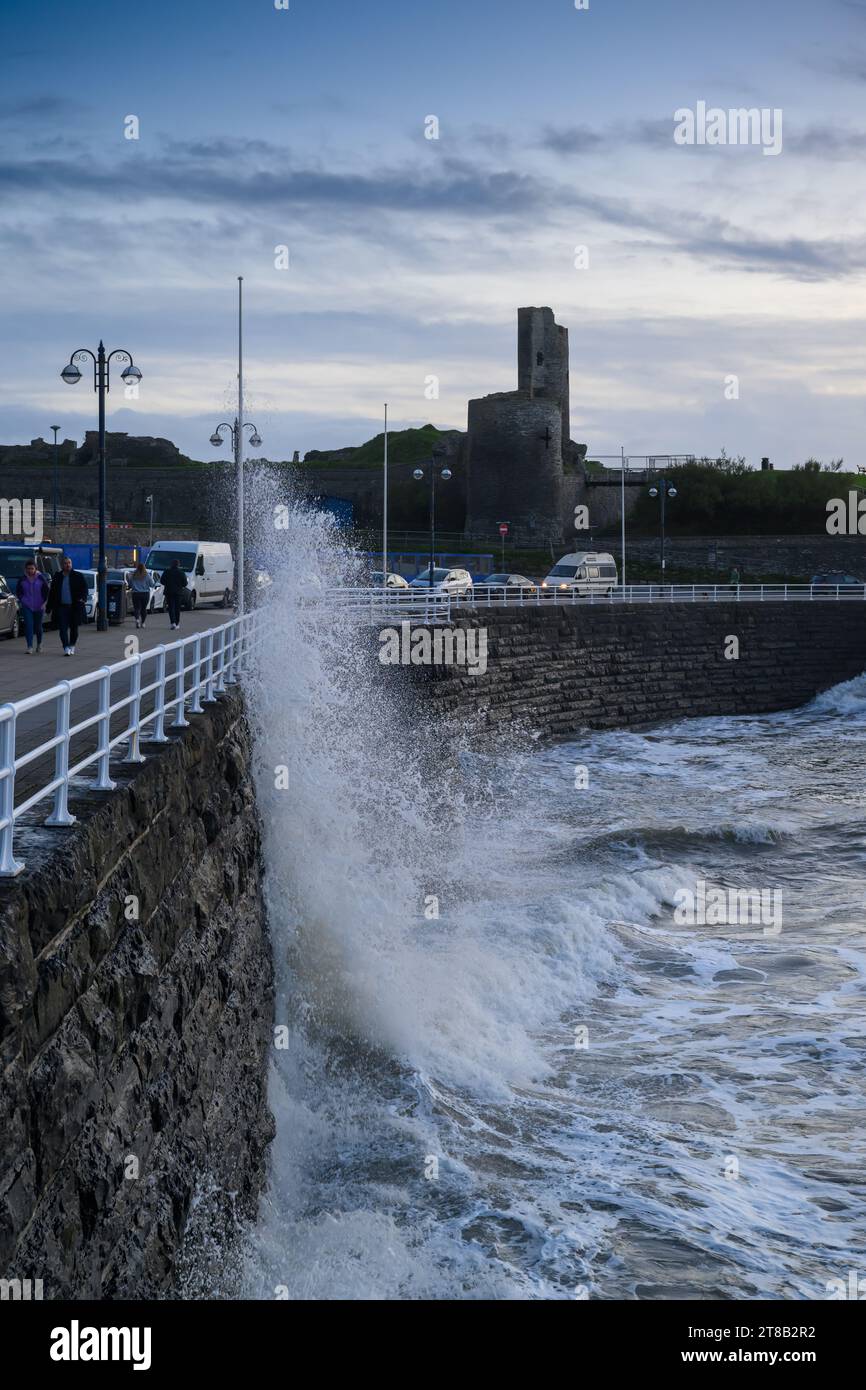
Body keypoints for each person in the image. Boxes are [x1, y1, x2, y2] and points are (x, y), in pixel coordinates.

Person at [47, 556, 88, 655]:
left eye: (69, 563)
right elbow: (52, 592)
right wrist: (49, 607)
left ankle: (72, 645)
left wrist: (82, 598)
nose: (67, 565)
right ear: (62, 565)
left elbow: (84, 588)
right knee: (62, 628)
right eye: (65, 563)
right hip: (61, 607)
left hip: (74, 606)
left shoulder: (78, 576)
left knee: (74, 628)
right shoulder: (57, 576)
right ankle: (65, 647)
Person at [15, 560, 50, 654]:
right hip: (27, 606)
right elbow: (18, 592)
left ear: (36, 569)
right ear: (25, 569)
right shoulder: (22, 579)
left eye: (32, 568)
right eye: (28, 569)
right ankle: (29, 646)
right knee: (29, 626)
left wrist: (44, 603)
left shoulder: (41, 578)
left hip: (39, 606)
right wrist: (22, 600)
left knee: (38, 626)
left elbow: (47, 591)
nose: (30, 570)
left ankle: (39, 644)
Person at [160, 559, 188, 629]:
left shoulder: (166, 572)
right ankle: (177, 623)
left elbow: (162, 581)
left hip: (169, 592)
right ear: (178, 565)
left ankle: (173, 623)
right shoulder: (181, 573)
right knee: (177, 608)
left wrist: (168, 584)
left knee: (171, 607)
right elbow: (185, 583)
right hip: (178, 592)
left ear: (171, 564)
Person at [129, 562, 154, 629]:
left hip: (136, 593)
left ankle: (137, 619)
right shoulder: (147, 575)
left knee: (137, 608)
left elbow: (130, 583)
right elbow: (152, 584)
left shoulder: (133, 575)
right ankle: (143, 623)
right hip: (145, 594)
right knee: (143, 608)